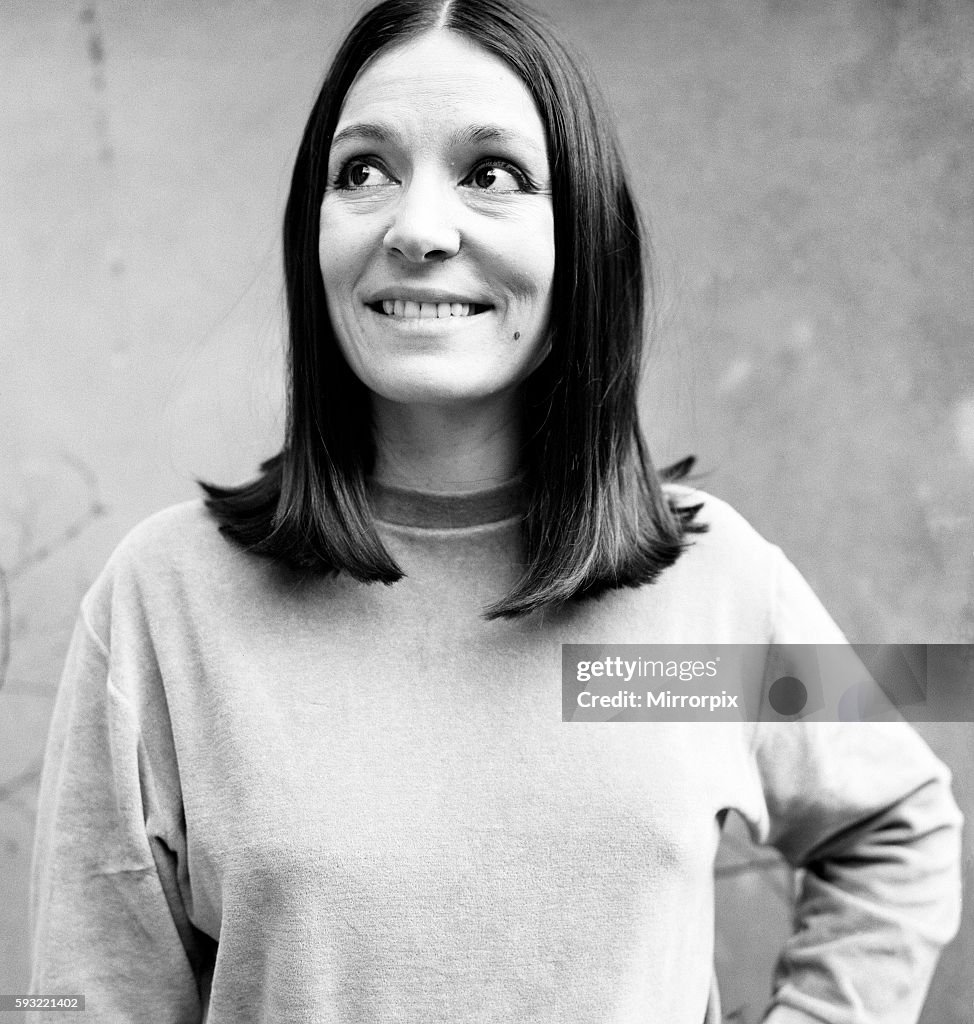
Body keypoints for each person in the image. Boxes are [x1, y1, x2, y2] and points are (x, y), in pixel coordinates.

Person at [30, 0, 962, 1021]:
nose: (417, 228)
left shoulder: (708, 591)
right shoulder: (165, 607)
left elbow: (896, 823)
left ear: (584, 245)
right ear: (314, 236)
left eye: (492, 174)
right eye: (363, 170)